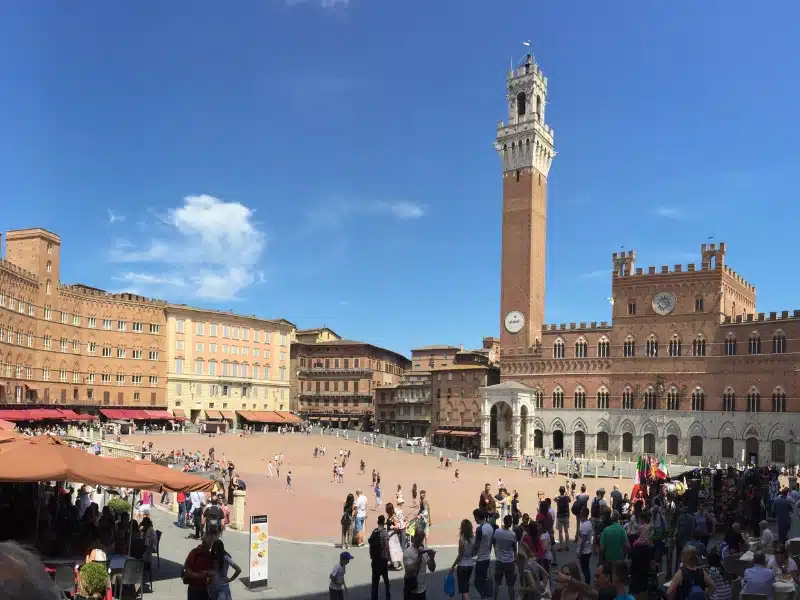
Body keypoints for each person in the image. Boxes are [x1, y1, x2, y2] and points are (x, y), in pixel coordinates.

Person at [403, 529, 436, 600]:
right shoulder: (407, 552)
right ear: (414, 537)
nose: (420, 541)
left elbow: (432, 569)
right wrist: (419, 556)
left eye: (422, 539)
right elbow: (409, 571)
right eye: (419, 539)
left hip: (422, 590)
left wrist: (432, 558)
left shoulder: (425, 549)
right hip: (411, 590)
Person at [182, 534, 216, 600]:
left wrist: (209, 573)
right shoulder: (194, 554)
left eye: (210, 547)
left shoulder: (210, 555)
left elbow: (213, 570)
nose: (209, 549)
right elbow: (186, 572)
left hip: (206, 589)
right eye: (208, 547)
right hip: (194, 589)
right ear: (203, 544)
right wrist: (198, 576)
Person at [492, 514, 518, 600]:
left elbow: (494, 542)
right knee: (511, 585)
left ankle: (495, 598)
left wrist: (496, 551)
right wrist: (516, 559)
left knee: (496, 583)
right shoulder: (512, 534)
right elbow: (514, 548)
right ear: (510, 523)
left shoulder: (497, 532)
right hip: (509, 562)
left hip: (499, 561)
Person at [449, 519, 475, 600]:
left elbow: (460, 555)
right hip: (470, 565)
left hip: (462, 566)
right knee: (465, 587)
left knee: (464, 591)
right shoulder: (473, 538)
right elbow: (474, 552)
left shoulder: (462, 539)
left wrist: (453, 566)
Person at [368, 515, 391, 600]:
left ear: (378, 522)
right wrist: (388, 558)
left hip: (374, 560)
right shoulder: (384, 533)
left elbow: (370, 543)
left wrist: (371, 556)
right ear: (383, 522)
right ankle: (388, 597)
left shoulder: (374, 531)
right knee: (386, 582)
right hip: (382, 560)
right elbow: (387, 546)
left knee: (375, 582)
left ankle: (374, 598)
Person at [473, 508, 494, 600]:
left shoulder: (479, 529)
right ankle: (484, 595)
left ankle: (483, 595)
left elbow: (476, 546)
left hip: (481, 558)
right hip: (487, 557)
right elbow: (490, 543)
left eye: (475, 517)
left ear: (478, 517)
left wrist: (470, 554)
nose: (475, 519)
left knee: (477, 582)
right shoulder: (490, 527)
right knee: (483, 578)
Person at [574, 505, 593, 585]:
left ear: (584, 513)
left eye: (581, 512)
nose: (580, 513)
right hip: (587, 550)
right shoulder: (587, 523)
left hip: (584, 551)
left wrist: (579, 552)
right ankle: (587, 583)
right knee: (586, 568)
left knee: (584, 569)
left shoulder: (585, 525)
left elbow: (583, 540)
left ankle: (586, 584)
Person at [554, 486, 571, 551]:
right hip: (566, 515)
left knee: (560, 532)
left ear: (559, 491)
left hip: (559, 516)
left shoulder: (558, 498)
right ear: (564, 491)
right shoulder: (566, 498)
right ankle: (567, 546)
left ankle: (561, 546)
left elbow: (554, 499)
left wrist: (557, 495)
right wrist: (567, 493)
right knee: (566, 531)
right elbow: (570, 500)